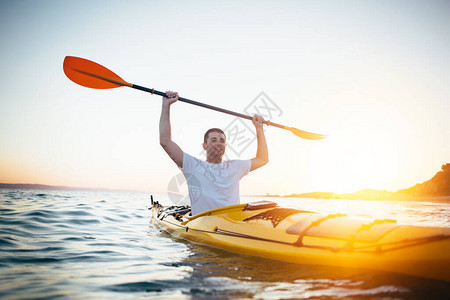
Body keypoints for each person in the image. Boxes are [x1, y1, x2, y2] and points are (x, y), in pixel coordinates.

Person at [159, 91, 268, 215]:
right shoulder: (193, 165)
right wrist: (166, 106)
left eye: (222, 141)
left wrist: (259, 128)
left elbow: (262, 159)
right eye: (214, 140)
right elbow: (165, 141)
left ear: (225, 146)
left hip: (232, 223)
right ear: (204, 146)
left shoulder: (236, 166)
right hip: (203, 225)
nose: (219, 143)